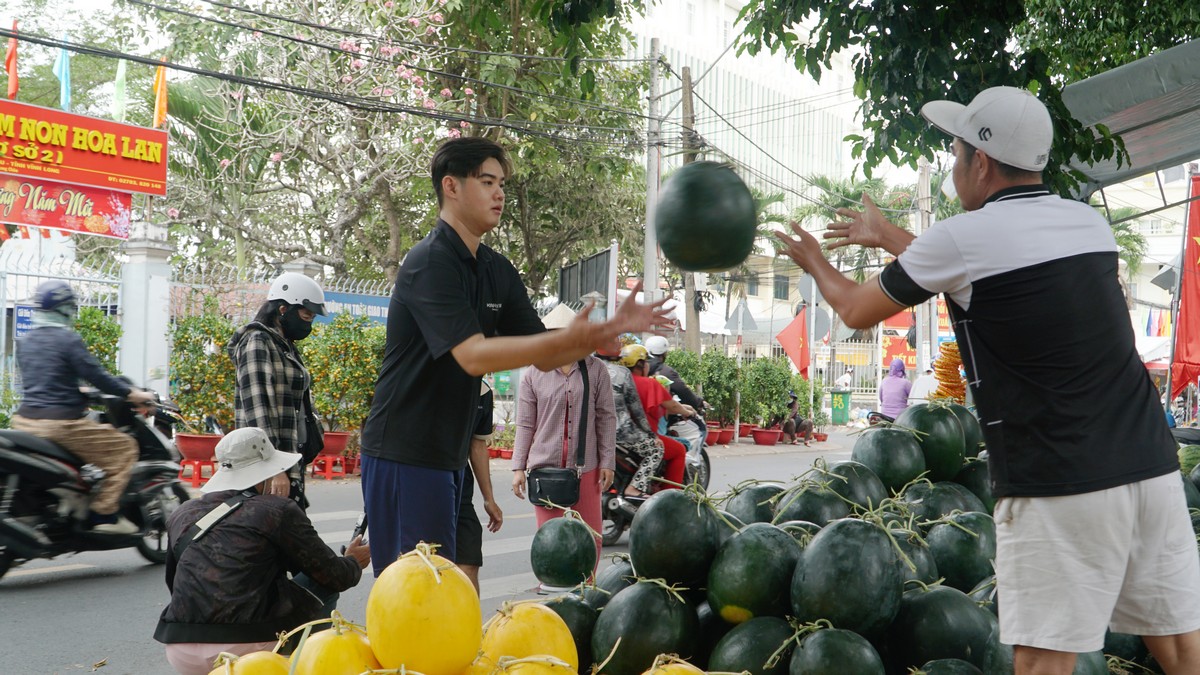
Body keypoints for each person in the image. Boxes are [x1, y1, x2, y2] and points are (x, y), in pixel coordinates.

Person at [774, 85, 1200, 673]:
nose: (953, 168)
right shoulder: (1089, 226)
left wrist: (813, 262)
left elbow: (854, 309)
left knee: (1041, 662)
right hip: (1150, 465)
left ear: (980, 160)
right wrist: (888, 238)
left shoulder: (964, 237)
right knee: (1180, 648)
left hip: (1058, 477)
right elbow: (976, 264)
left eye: (955, 155)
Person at [357, 137, 673, 576]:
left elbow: (545, 354)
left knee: (447, 590)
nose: (500, 193)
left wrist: (608, 331)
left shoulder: (496, 270)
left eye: (501, 182)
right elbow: (472, 356)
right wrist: (579, 336)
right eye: (487, 181)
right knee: (411, 596)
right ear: (451, 186)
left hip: (449, 457)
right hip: (404, 451)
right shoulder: (428, 263)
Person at [153, 428, 370, 675]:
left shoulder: (183, 512)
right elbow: (333, 575)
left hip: (181, 650)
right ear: (266, 472)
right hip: (246, 649)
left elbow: (176, 582)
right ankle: (313, 666)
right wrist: (353, 562)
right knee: (322, 586)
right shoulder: (276, 510)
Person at [13, 280, 157, 535]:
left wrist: (76, 391)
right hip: (60, 425)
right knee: (124, 448)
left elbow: (44, 378)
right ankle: (104, 514)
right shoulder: (68, 339)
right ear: (65, 309)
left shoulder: (26, 340)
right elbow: (97, 375)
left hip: (24, 421)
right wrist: (131, 393)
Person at [227, 272, 327, 507]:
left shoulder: (284, 345)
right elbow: (257, 411)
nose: (308, 323)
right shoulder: (257, 342)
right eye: (306, 315)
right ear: (283, 309)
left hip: (289, 459)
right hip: (265, 469)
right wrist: (274, 469)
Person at [510, 348, 616, 563]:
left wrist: (608, 461)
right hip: (545, 470)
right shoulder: (534, 372)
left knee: (591, 537)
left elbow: (606, 417)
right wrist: (518, 467)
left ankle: (587, 591)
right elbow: (525, 423)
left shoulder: (596, 369)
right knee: (549, 542)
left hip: (586, 468)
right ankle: (552, 591)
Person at [622, 344, 691, 493]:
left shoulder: (617, 382)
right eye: (646, 362)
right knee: (678, 450)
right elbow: (672, 406)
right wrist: (687, 411)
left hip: (614, 436)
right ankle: (669, 496)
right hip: (638, 437)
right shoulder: (649, 383)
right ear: (641, 364)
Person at [597, 347, 665, 498]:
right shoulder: (622, 373)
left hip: (594, 434)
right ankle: (635, 487)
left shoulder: (586, 371)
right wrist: (652, 435)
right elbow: (636, 409)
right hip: (622, 434)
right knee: (656, 450)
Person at [458, 380, 504, 593]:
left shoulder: (483, 392)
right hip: (425, 486)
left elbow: (477, 445)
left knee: (468, 562)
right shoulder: (435, 378)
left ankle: (468, 625)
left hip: (460, 491)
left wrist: (489, 498)